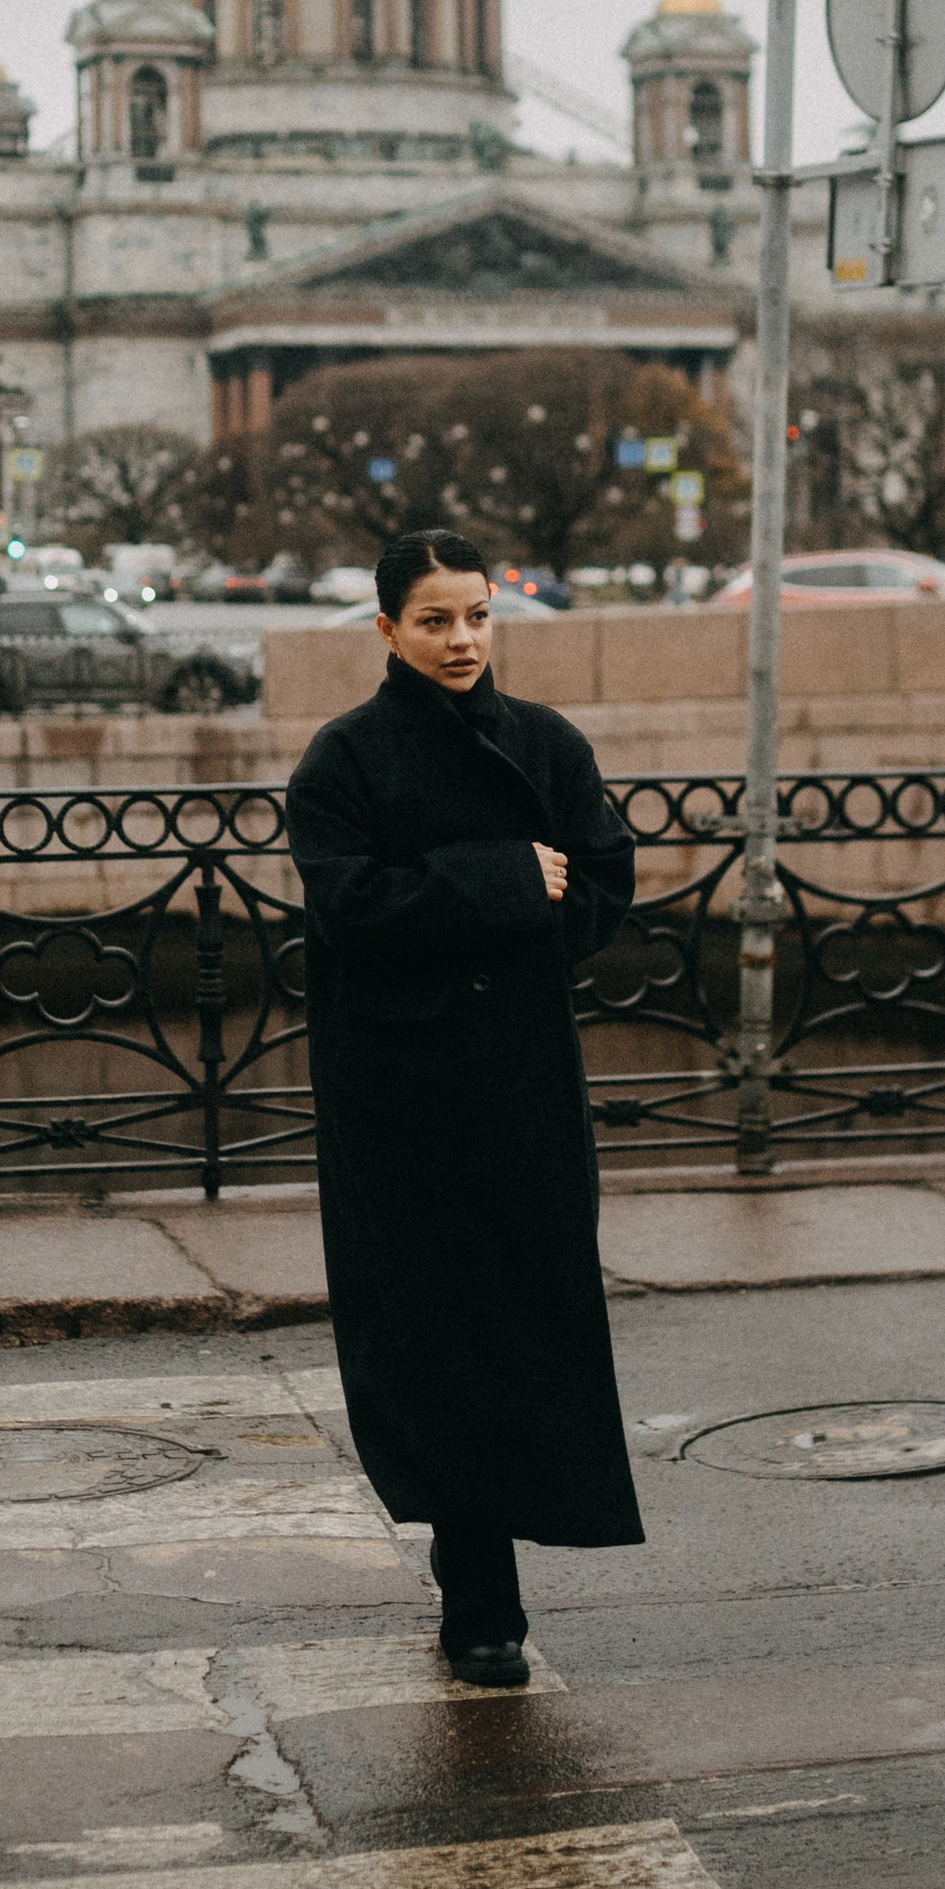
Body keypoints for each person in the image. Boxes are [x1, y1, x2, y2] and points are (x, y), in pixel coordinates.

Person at [286, 526, 642, 1687]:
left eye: (478, 616)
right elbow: (348, 910)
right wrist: (500, 881)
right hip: (399, 1094)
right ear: (386, 629)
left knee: (528, 1323)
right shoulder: (342, 760)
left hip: (521, 1078)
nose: (461, 640)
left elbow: (602, 880)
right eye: (434, 620)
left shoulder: (545, 741)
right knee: (432, 1334)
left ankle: (499, 1549)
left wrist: (518, 918)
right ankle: (479, 1596)